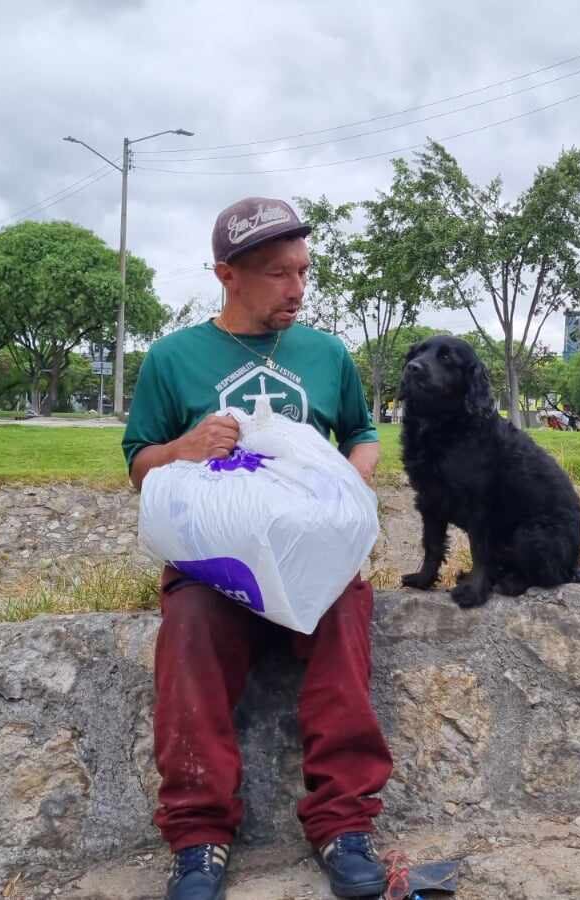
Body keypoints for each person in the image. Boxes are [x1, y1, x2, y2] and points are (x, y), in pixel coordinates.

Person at [122, 197, 391, 900]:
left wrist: (350, 485)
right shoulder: (172, 359)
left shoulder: (328, 354)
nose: (297, 289)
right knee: (188, 630)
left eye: (303, 271)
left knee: (345, 612)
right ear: (227, 275)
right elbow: (138, 466)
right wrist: (183, 448)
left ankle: (344, 826)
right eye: (277, 274)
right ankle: (199, 837)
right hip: (217, 565)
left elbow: (362, 434)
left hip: (314, 557)